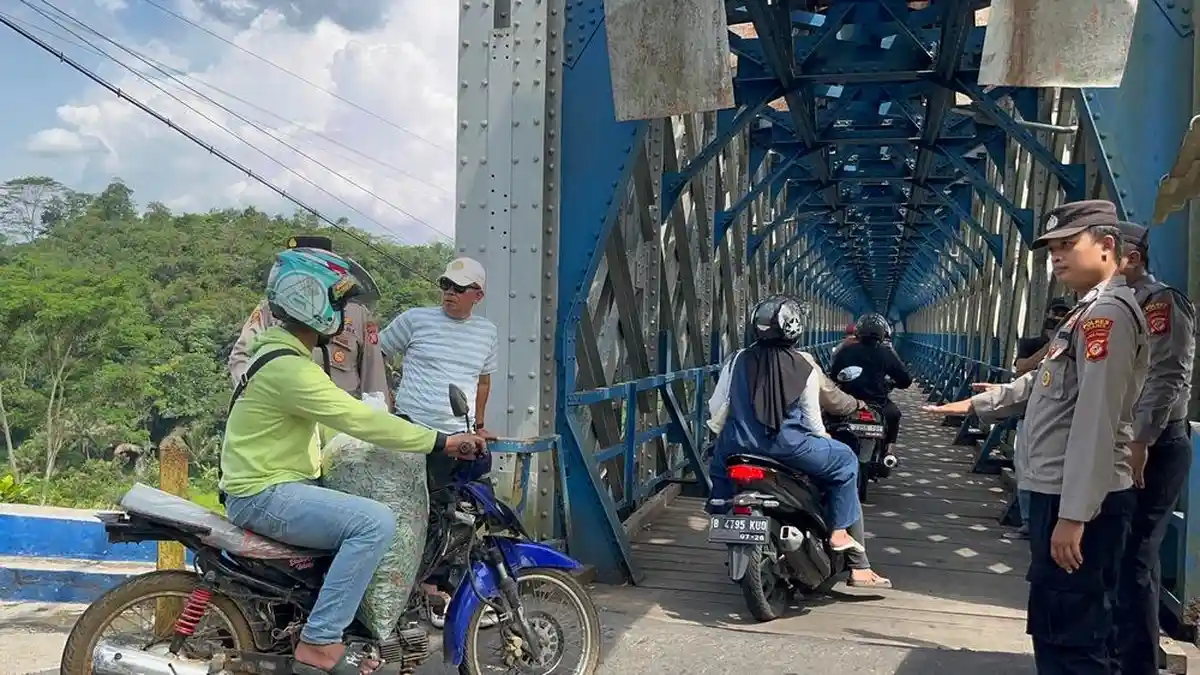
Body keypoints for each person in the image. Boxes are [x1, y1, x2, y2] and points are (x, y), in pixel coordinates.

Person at [220, 247, 487, 675]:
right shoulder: (291, 368)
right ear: (313, 303)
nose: (345, 317)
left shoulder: (280, 356)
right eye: (338, 304)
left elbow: (339, 425)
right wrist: (440, 441)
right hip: (266, 492)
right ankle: (321, 640)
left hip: (277, 484)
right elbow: (357, 418)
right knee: (374, 522)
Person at [923, 199, 1147, 675]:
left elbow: (1096, 420)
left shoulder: (1107, 317)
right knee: (1056, 625)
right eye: (1052, 249)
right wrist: (976, 404)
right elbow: (1044, 385)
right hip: (1059, 491)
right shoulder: (1083, 315)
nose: (1057, 257)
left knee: (1075, 636)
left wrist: (1074, 514)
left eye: (1068, 245)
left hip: (1079, 499)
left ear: (1107, 247)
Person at [708, 295, 891, 588]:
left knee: (718, 465)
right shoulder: (804, 364)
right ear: (795, 328)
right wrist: (825, 438)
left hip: (737, 444)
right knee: (845, 461)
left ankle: (719, 506)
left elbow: (716, 407)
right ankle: (843, 539)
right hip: (790, 447)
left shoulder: (736, 360)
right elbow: (813, 419)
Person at [378, 256, 499, 628]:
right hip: (415, 432)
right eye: (445, 285)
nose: (449, 293)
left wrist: (479, 425)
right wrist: (385, 402)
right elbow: (375, 352)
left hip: (459, 437)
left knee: (462, 510)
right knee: (417, 513)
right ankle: (422, 594)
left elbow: (482, 379)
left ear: (477, 294)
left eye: (458, 288)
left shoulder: (486, 332)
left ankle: (439, 588)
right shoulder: (416, 319)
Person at [1109, 222, 1197, 675]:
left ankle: (1137, 664)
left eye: (1108, 249)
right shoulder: (1112, 305)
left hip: (1154, 446)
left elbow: (1169, 374)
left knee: (1136, 552)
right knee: (1116, 550)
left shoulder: (1158, 303)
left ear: (1133, 258)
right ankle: (1115, 652)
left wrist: (1142, 438)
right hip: (1123, 443)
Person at [230, 235, 390, 406]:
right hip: (288, 416)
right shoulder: (272, 307)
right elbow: (242, 356)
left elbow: (374, 378)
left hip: (342, 421)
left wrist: (379, 415)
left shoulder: (357, 313)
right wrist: (262, 398)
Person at [1005, 298, 1074, 541]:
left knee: (1055, 472)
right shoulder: (1031, 343)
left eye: (1063, 315)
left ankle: (1053, 523)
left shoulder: (1075, 343)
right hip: (1030, 415)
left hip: (1062, 419)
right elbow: (1020, 368)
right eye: (1054, 314)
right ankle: (1028, 521)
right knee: (1024, 469)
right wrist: (1050, 348)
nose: (1057, 319)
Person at [828, 313, 913, 453]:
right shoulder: (886, 353)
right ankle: (888, 451)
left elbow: (834, 375)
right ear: (883, 333)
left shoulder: (845, 351)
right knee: (894, 415)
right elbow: (905, 381)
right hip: (878, 403)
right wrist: (891, 383)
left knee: (829, 418)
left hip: (848, 402)